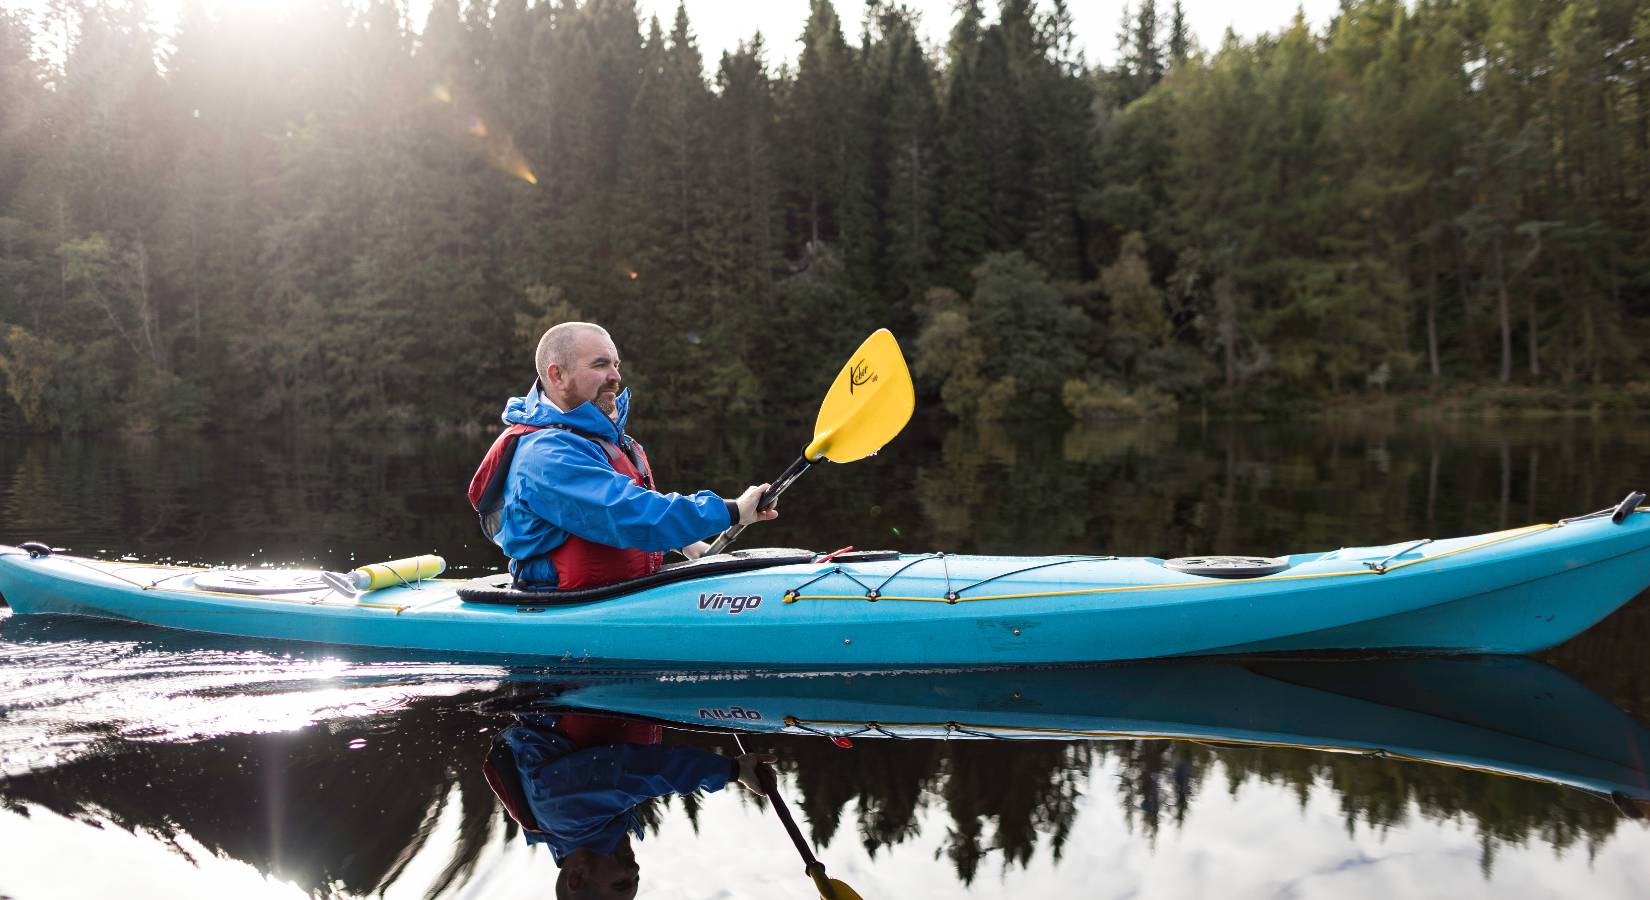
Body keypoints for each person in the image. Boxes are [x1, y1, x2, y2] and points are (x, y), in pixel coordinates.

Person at [469, 322, 777, 589]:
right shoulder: (544, 456)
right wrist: (732, 510)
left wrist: (685, 542)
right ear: (558, 375)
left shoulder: (601, 439)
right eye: (601, 364)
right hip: (566, 603)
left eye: (617, 365)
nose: (615, 376)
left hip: (620, 590)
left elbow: (629, 512)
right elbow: (626, 513)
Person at [482, 711, 776, 900]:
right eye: (636, 878)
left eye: (622, 883)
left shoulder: (567, 816)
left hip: (574, 685)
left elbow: (642, 771)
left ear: (577, 877)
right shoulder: (581, 829)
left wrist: (734, 770)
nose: (634, 867)